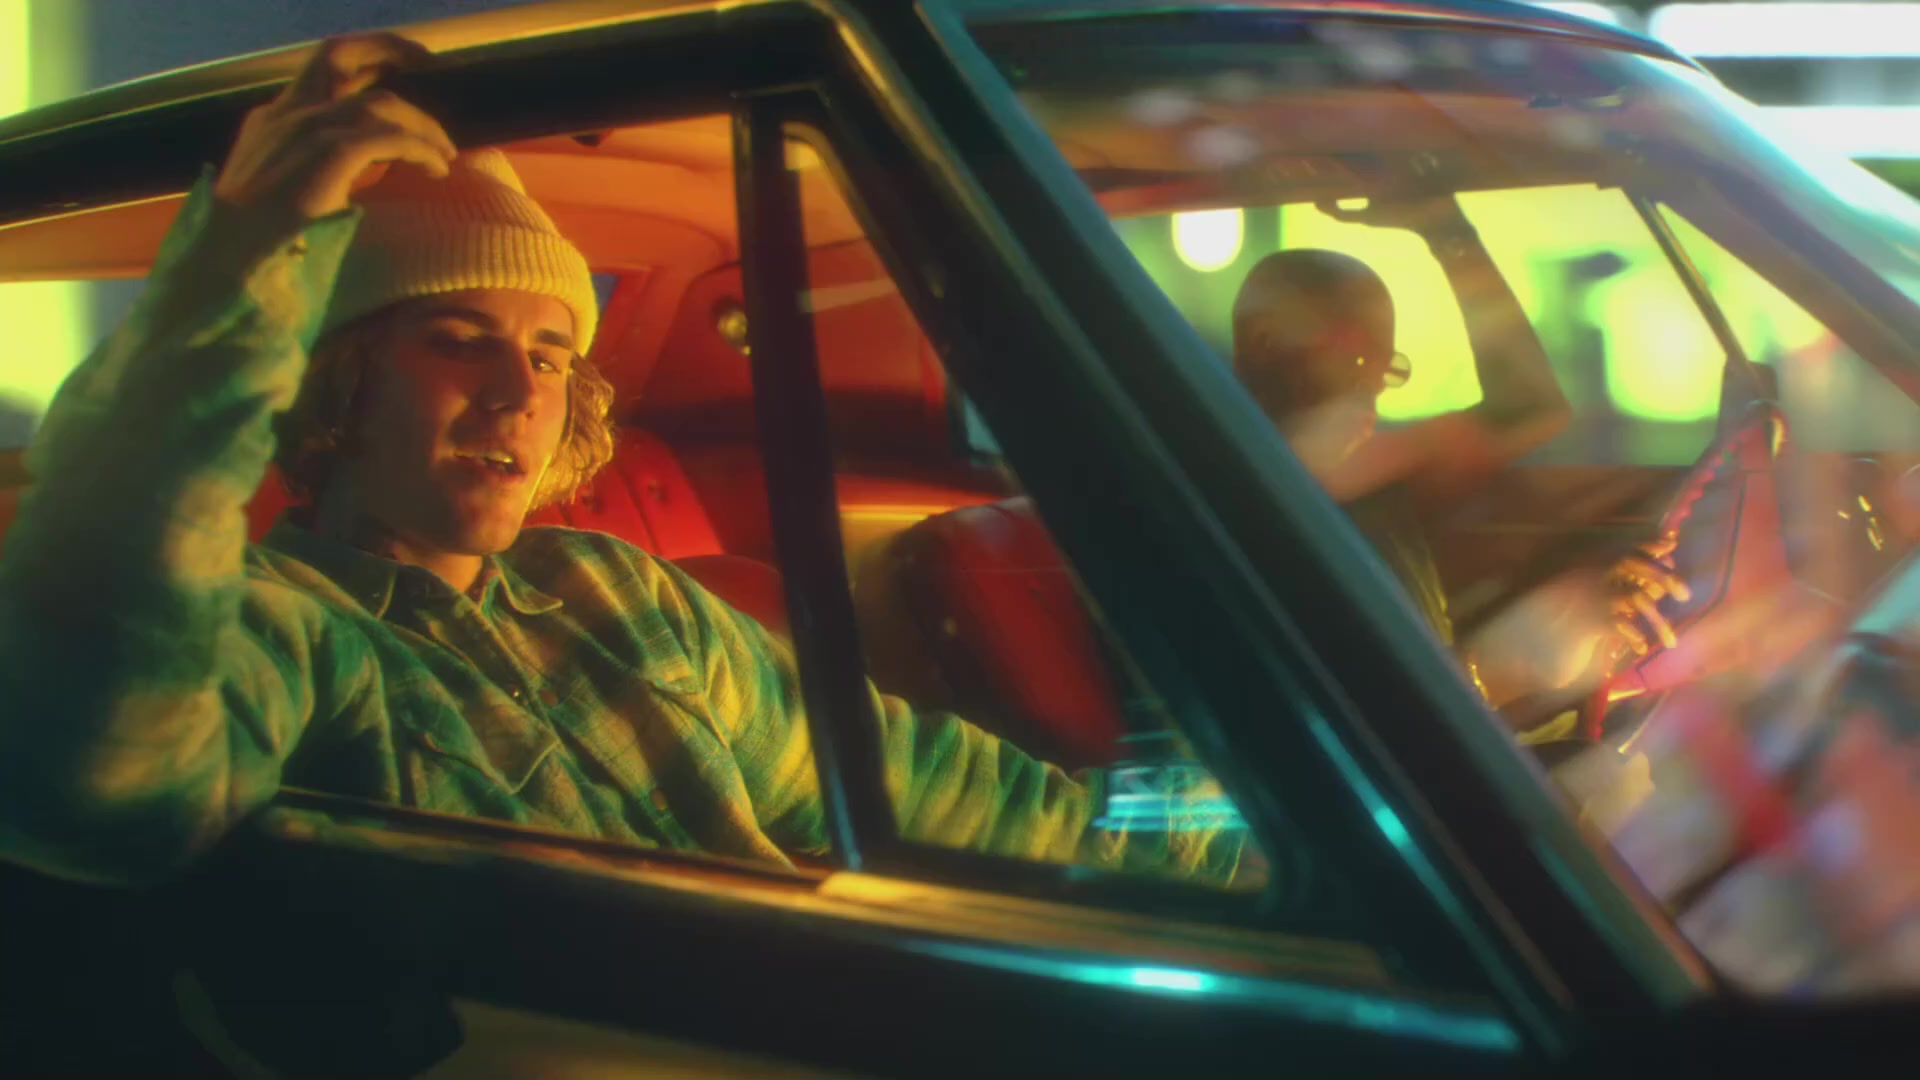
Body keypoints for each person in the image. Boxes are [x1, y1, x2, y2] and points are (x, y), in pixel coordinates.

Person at [0, 35, 1251, 889]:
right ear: (331, 386)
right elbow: (102, 774)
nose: (519, 392)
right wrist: (245, 257)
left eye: (551, 354)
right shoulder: (288, 629)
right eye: (458, 341)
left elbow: (937, 789)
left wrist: (1257, 860)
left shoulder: (615, 587)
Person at [1232, 198, 1689, 719]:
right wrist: (1509, 663)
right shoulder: (1229, 504)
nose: (1374, 390)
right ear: (1266, 341)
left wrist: (1445, 230)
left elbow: (1529, 408)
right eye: (1357, 357)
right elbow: (1380, 718)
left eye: (1388, 368)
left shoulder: (1366, 485)